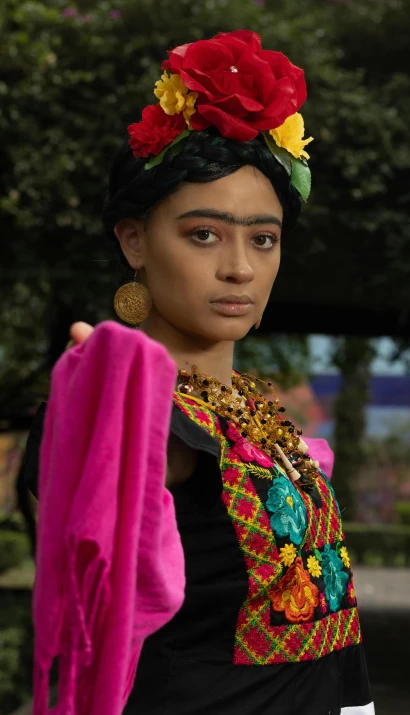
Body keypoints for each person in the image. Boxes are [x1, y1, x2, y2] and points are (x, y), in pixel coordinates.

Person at [24, 30, 374, 715]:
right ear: (134, 240)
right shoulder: (136, 410)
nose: (240, 267)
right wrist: (102, 403)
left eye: (263, 239)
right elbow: (87, 540)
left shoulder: (252, 406)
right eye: (204, 234)